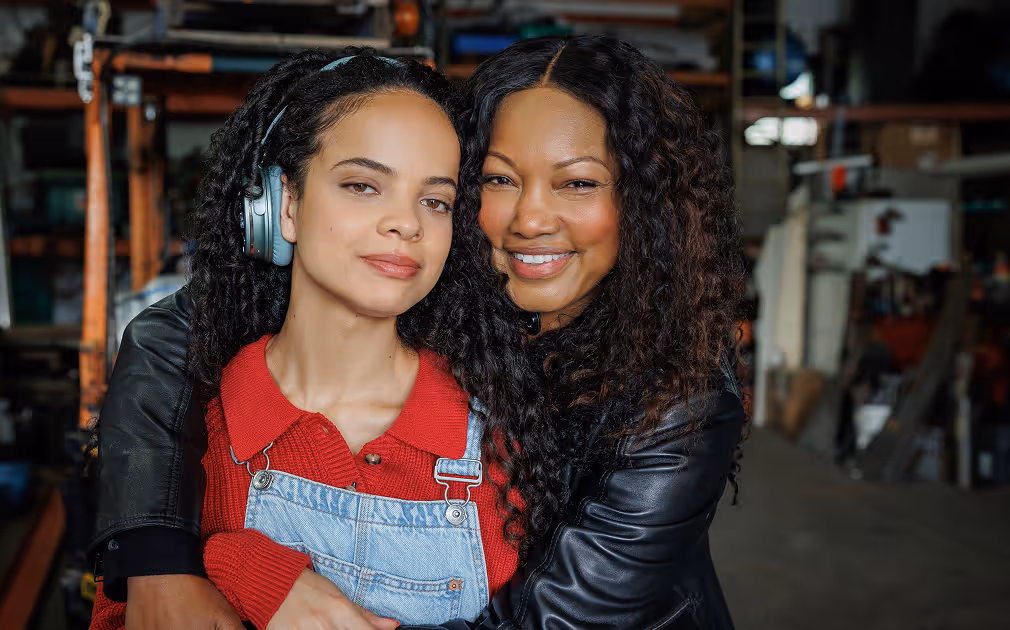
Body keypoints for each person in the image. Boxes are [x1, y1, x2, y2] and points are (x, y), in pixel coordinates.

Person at [90, 35, 746, 629]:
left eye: (577, 182)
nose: (531, 217)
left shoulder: (678, 406)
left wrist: (241, 568)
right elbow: (169, 335)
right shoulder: (445, 297)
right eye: (497, 178)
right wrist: (159, 554)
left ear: (640, 203)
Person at [88, 49, 547, 629]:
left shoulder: (503, 439)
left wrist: (235, 565)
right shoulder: (185, 441)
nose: (407, 223)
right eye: (362, 185)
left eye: (434, 201)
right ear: (284, 206)